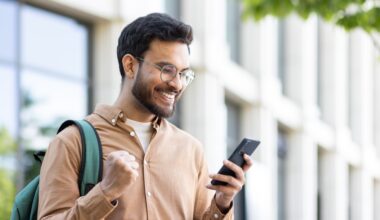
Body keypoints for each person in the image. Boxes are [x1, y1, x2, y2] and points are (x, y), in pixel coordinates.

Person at [38, 13, 253, 220]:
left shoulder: (191, 149)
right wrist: (104, 192)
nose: (177, 84)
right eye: (166, 69)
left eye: (183, 73)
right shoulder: (71, 141)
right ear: (130, 65)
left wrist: (222, 202)